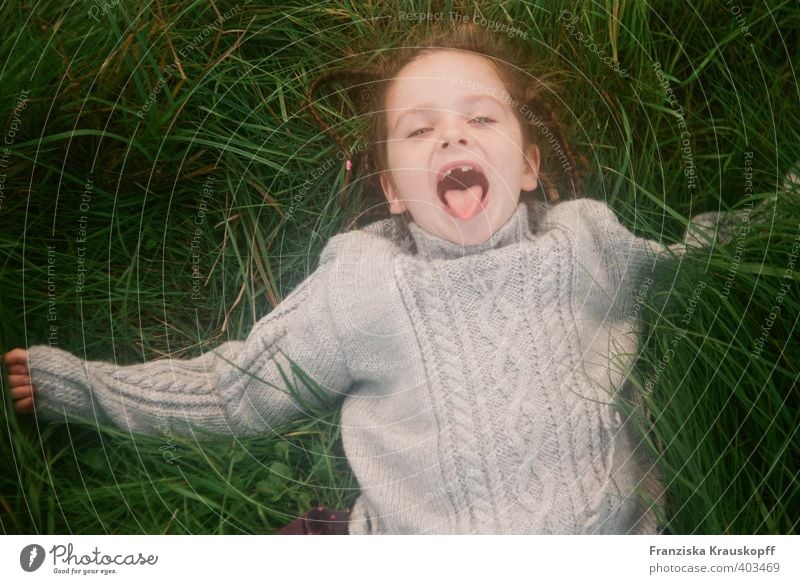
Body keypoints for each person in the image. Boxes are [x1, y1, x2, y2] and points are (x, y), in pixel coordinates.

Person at [1, 23, 760, 535]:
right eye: (420, 129)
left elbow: (696, 265)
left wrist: (779, 214)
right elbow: (235, 388)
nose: (453, 134)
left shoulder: (587, 240)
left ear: (529, 166)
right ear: (393, 191)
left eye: (483, 119)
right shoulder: (363, 285)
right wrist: (82, 387)